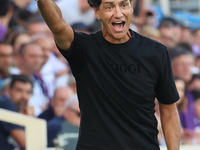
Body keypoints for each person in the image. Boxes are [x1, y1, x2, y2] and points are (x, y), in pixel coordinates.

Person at [37, 0, 181, 149]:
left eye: (124, 5)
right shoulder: (83, 48)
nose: (118, 13)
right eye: (109, 7)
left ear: (132, 8)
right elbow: (57, 25)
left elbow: (169, 111)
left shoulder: (156, 52)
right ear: (97, 12)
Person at [0, 74, 33, 150]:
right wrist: (30, 120)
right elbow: (27, 143)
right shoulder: (5, 103)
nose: (24, 96)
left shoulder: (17, 110)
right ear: (8, 90)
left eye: (28, 92)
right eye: (19, 90)